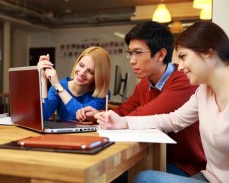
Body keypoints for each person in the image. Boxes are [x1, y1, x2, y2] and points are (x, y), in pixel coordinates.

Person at [94, 21, 229, 183]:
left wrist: (124, 121)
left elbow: (154, 112)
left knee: (140, 178)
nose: (181, 66)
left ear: (207, 52)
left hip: (199, 171)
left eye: (184, 57)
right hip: (210, 176)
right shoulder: (203, 91)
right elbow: (173, 119)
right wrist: (123, 121)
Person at [76, 21, 206, 177]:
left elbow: (147, 113)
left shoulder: (184, 79)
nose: (131, 60)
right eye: (130, 53)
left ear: (161, 55)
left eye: (138, 53)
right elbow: (125, 110)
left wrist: (114, 119)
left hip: (187, 166)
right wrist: (98, 114)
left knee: (112, 175)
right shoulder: (144, 83)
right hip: (154, 155)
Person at [37, 46, 111, 121]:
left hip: (90, 133)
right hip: (63, 132)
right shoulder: (58, 87)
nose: (82, 73)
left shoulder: (102, 93)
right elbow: (44, 115)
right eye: (81, 65)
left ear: (99, 77)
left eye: (90, 72)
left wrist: (59, 88)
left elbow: (82, 114)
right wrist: (43, 78)